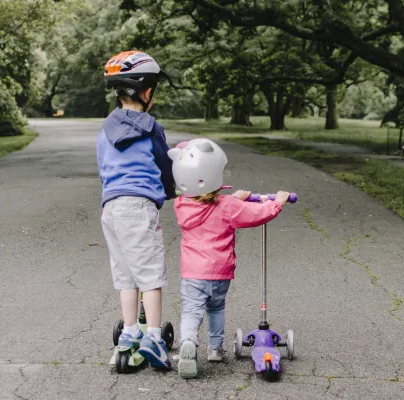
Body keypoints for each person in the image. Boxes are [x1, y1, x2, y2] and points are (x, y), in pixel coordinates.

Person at [167, 138, 290, 379]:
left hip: (193, 273)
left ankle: (188, 343)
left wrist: (235, 197)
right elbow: (255, 214)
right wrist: (277, 203)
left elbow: (207, 202)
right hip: (220, 272)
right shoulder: (228, 206)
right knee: (216, 308)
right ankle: (214, 349)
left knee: (192, 311)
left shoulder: (181, 205)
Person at [97, 50, 176, 370]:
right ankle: (154, 338)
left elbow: (103, 167)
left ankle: (129, 333)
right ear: (146, 93)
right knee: (151, 275)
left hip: (111, 208)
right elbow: (165, 163)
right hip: (138, 207)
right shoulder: (151, 127)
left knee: (126, 275)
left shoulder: (105, 129)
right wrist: (171, 190)